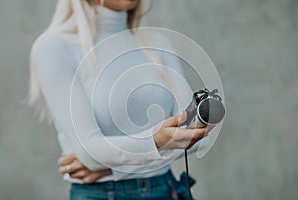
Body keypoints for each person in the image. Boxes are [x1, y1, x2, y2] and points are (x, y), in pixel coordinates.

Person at [29, 0, 210, 199]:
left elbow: (199, 136)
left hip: (166, 189)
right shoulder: (54, 47)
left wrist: (114, 169)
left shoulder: (157, 43)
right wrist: (154, 142)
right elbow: (89, 151)